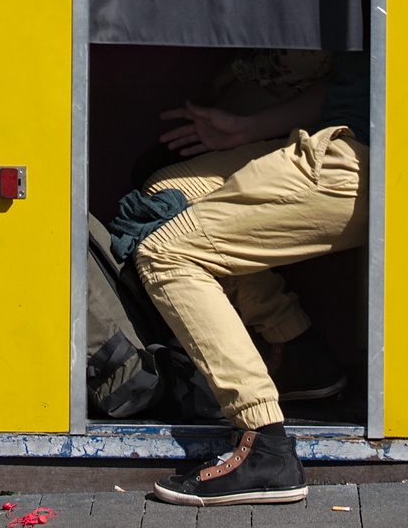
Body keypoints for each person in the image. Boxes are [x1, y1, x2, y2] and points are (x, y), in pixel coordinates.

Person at [136, 50, 369, 507]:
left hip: (360, 161)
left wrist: (239, 72)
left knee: (165, 252)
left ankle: (264, 443)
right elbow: (350, 84)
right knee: (167, 192)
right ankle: (297, 351)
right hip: (332, 139)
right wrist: (244, 129)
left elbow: (307, 61)